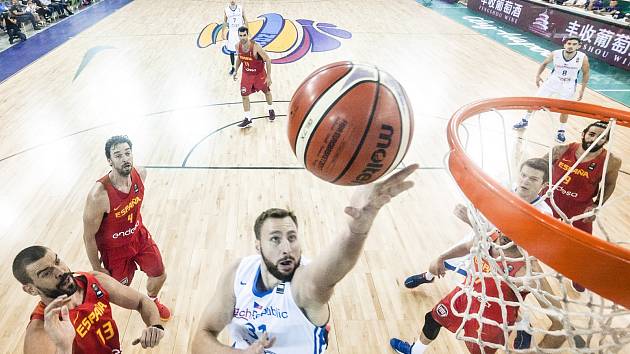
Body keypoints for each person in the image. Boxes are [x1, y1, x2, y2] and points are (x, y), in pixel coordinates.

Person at [192, 164, 418, 353]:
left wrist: (356, 231)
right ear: (257, 246)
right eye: (275, 239)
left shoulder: (303, 285)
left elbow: (330, 273)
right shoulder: (237, 273)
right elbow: (201, 338)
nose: (287, 248)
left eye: (292, 237)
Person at [404, 158, 553, 288]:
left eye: (533, 179)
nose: (525, 181)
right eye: (523, 175)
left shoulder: (543, 214)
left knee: (483, 287)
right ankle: (428, 277)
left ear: (544, 185)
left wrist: (471, 222)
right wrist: (471, 213)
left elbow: (511, 246)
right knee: (441, 261)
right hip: (479, 236)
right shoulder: (504, 186)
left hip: (504, 255)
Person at [82, 135, 171, 320]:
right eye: (118, 155)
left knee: (159, 275)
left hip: (139, 237)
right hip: (114, 251)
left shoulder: (141, 174)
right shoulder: (98, 196)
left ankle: (153, 300)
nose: (125, 159)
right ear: (109, 160)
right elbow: (88, 237)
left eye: (127, 153)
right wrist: (97, 267)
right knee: (119, 292)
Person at [13, 246, 165, 353]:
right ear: (30, 289)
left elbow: (142, 301)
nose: (61, 272)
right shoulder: (41, 331)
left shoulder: (94, 280)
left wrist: (155, 326)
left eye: (57, 261)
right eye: (46, 273)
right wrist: (64, 349)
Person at [543, 120, 621, 292]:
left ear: (606, 141)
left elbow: (609, 185)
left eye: (601, 137)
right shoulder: (562, 149)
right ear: (584, 133)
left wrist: (596, 204)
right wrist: (539, 184)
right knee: (528, 229)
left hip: (579, 207)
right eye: (592, 134)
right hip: (551, 198)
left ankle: (579, 276)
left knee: (583, 247)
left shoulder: (611, 161)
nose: (595, 139)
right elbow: (541, 165)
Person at [513, 36, 590, 143]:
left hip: (568, 84)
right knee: (535, 101)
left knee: (565, 108)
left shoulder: (583, 57)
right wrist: (538, 75)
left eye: (574, 44)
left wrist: (582, 89)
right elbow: (544, 63)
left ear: (579, 46)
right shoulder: (556, 53)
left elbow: (586, 73)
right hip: (553, 81)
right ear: (565, 45)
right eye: (569, 43)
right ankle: (525, 120)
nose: (570, 46)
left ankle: (561, 131)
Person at [232, 26, 275, 128]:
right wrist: (235, 70)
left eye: (244, 35)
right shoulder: (237, 46)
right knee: (244, 95)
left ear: (248, 35)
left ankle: (271, 109)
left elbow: (268, 60)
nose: (242, 37)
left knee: (267, 92)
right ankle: (248, 118)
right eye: (240, 35)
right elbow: (239, 58)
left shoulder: (255, 46)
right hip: (247, 74)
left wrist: (268, 76)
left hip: (258, 74)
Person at [222, 1, 247, 76]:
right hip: (232, 33)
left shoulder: (240, 8)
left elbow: (245, 20)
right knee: (231, 51)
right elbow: (225, 22)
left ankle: (246, 66)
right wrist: (222, 32)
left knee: (244, 50)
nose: (232, 1)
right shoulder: (226, 10)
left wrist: (248, 31)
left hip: (240, 32)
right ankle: (233, 67)